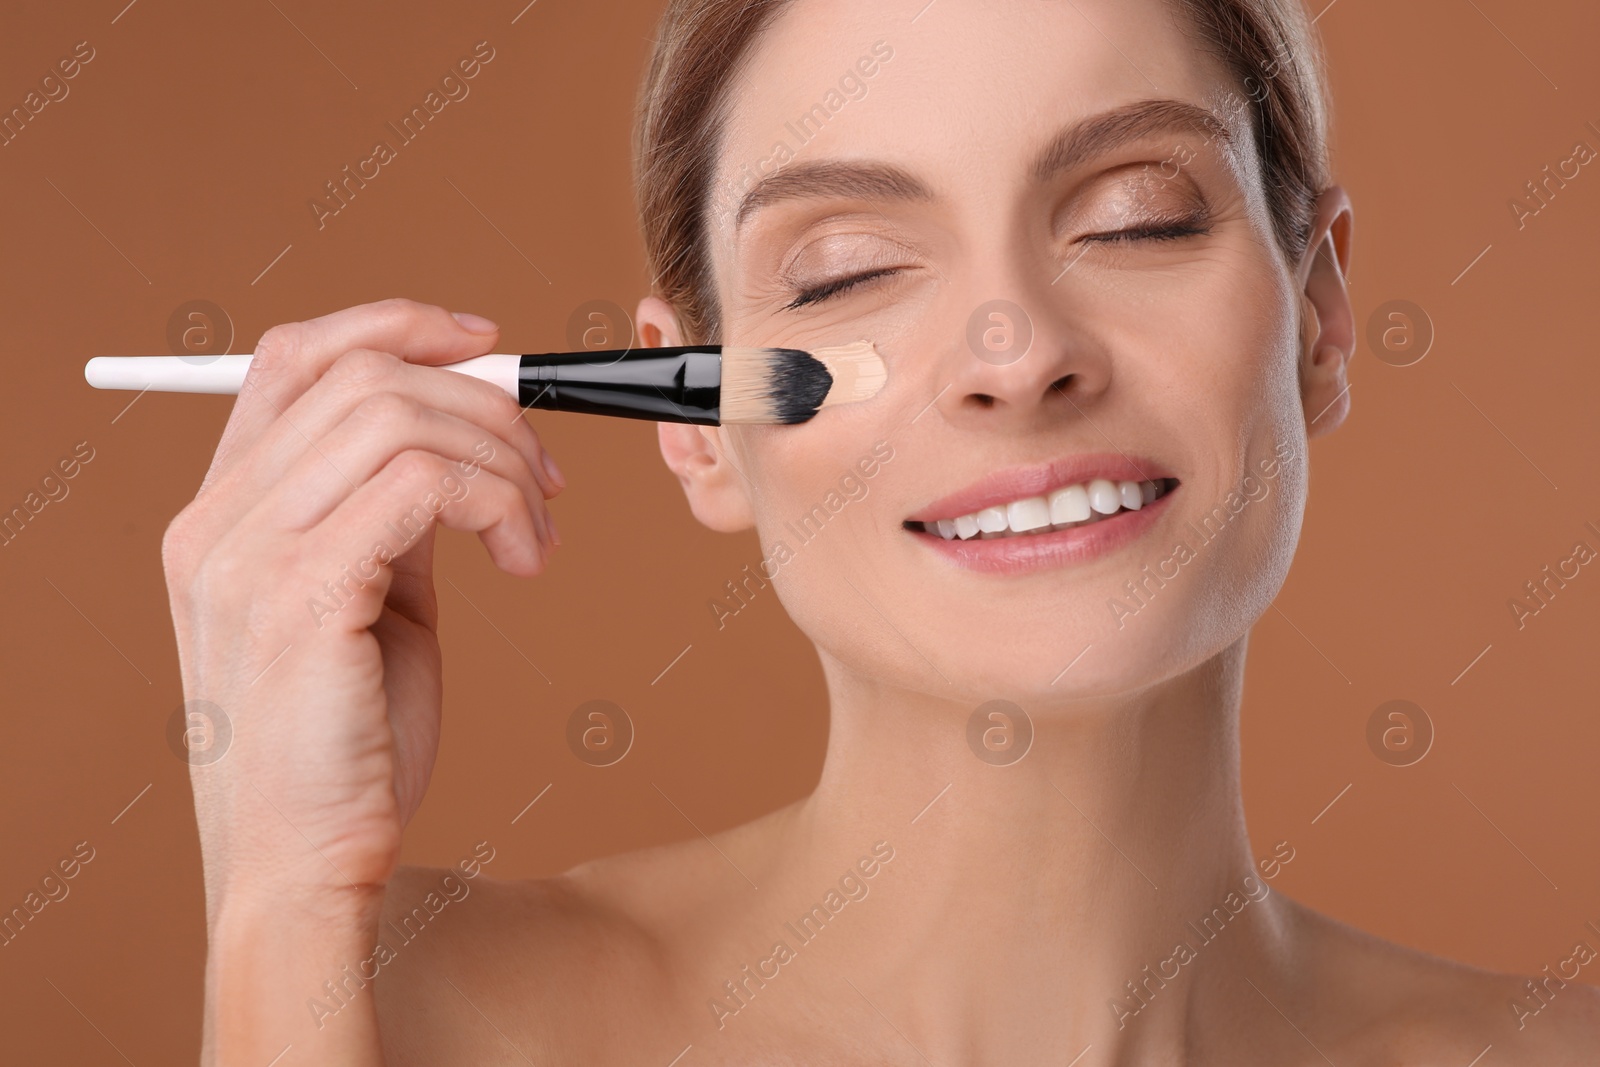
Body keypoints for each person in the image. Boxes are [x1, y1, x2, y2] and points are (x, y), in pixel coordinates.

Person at [163, 0, 1600, 1062]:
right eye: (850, 269)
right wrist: (280, 909)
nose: (1014, 347)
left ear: (1322, 319)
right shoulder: (393, 1016)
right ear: (694, 419)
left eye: (1138, 218)